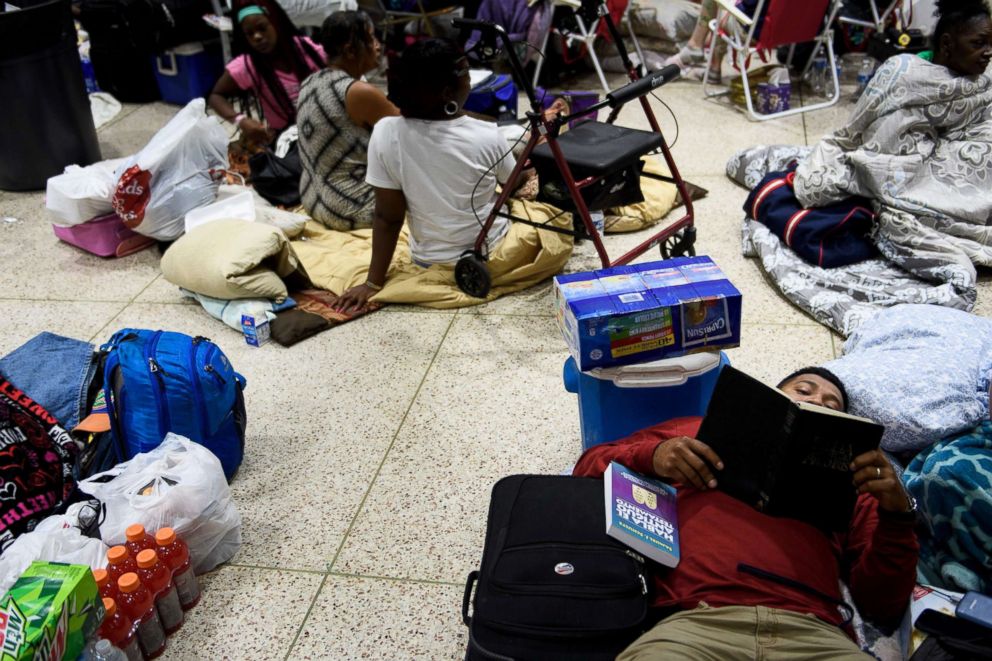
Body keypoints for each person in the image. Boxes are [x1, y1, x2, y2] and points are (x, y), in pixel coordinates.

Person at [573, 366, 918, 660]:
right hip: (695, 623)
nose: (816, 401)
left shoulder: (856, 482)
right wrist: (654, 455)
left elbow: (881, 605)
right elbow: (587, 471)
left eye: (832, 406)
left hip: (815, 635)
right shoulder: (694, 430)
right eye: (804, 391)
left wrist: (897, 514)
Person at [334, 38, 528, 311]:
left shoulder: (386, 131)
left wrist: (372, 283)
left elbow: (387, 217)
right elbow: (513, 184)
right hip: (490, 250)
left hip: (426, 259)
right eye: (468, 77)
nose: (471, 84)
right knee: (544, 211)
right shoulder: (488, 135)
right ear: (448, 92)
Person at [297, 11, 399, 231]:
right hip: (352, 207)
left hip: (311, 199)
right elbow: (411, 132)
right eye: (371, 39)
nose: (378, 46)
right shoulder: (357, 91)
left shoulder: (310, 81)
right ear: (351, 50)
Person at [208, 0, 325, 147]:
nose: (257, 37)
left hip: (324, 126)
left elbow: (338, 70)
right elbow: (216, 96)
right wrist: (241, 120)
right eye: (250, 34)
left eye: (262, 28)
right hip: (287, 138)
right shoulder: (248, 65)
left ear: (275, 23)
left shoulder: (304, 49)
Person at [664, 0, 760, 84]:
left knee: (718, 5)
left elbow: (747, 5)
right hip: (766, 32)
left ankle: (694, 46)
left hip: (749, 29)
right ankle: (713, 70)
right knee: (725, 6)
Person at [922, 0, 992, 75]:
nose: (990, 52)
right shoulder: (913, 77)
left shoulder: (987, 77)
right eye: (979, 43)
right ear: (946, 44)